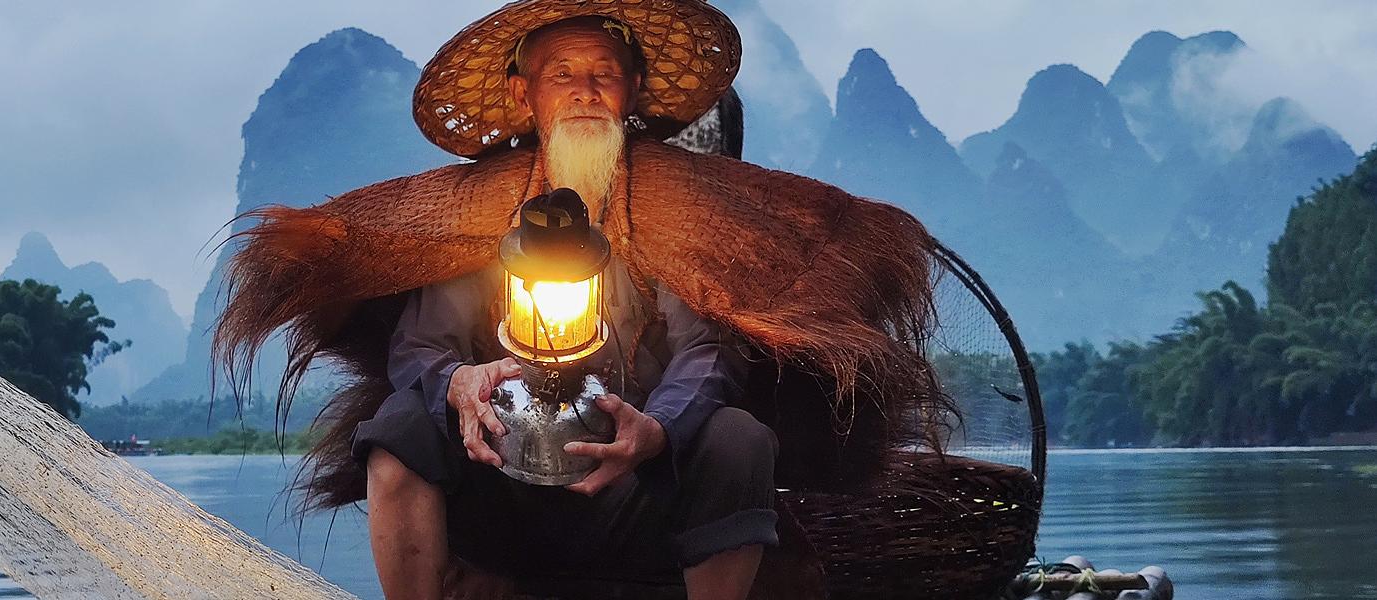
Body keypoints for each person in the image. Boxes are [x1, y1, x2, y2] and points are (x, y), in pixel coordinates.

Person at [213, 0, 949, 597]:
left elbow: (707, 349)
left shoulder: (683, 211)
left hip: (642, 494)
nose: (585, 90)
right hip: (502, 487)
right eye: (562, 72)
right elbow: (420, 347)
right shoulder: (469, 216)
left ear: (631, 93)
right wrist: (458, 382)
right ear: (522, 95)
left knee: (739, 438)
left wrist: (654, 431)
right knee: (400, 423)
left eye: (605, 73)